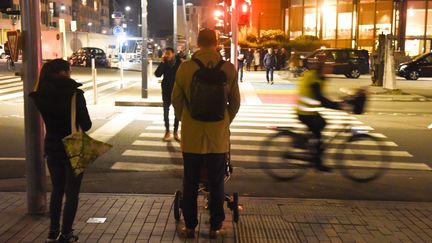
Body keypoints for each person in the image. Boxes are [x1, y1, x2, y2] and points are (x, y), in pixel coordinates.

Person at [172, 28, 240, 239]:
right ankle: (215, 226)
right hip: (217, 138)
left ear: (198, 43)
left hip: (192, 137)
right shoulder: (228, 68)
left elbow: (176, 99)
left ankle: (190, 226)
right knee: (216, 182)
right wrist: (223, 120)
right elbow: (235, 102)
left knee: (190, 181)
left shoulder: (185, 68)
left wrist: (187, 119)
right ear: (216, 42)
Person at [29, 59, 92, 243]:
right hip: (72, 147)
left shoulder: (41, 95)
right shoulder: (74, 94)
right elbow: (86, 125)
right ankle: (65, 233)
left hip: (52, 146)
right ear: (64, 72)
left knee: (57, 190)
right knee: (72, 193)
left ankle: (53, 231)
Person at [296, 57, 342, 172]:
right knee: (320, 130)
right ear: (322, 68)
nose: (330, 70)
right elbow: (320, 98)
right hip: (304, 111)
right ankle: (317, 162)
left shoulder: (317, 76)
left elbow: (321, 98)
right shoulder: (314, 79)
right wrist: (337, 106)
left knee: (321, 127)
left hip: (307, 110)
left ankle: (309, 145)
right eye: (328, 68)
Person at [155, 47, 182, 141]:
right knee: (165, 111)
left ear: (173, 54)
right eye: (165, 53)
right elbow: (157, 74)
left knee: (177, 113)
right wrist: (162, 62)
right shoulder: (164, 63)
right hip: (166, 90)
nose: (166, 55)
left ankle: (175, 132)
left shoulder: (180, 63)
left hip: (177, 91)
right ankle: (167, 131)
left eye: (168, 53)